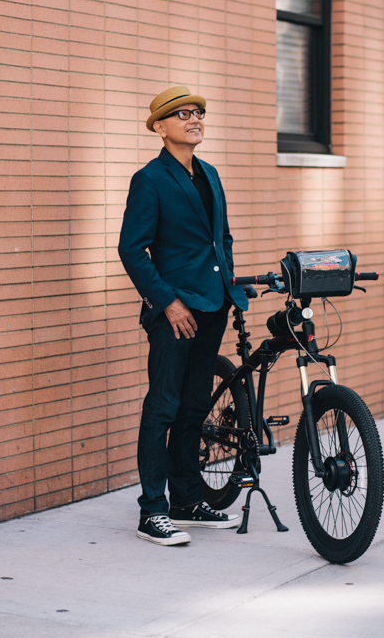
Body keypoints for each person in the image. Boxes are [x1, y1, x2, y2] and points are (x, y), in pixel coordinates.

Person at [118, 85, 248, 546]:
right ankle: (152, 510)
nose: (195, 119)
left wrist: (230, 284)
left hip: (213, 305)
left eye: (198, 113)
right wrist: (166, 301)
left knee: (195, 405)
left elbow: (222, 239)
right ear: (160, 127)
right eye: (182, 114)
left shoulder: (210, 174)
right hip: (174, 310)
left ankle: (186, 501)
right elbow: (132, 249)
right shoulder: (149, 179)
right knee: (163, 407)